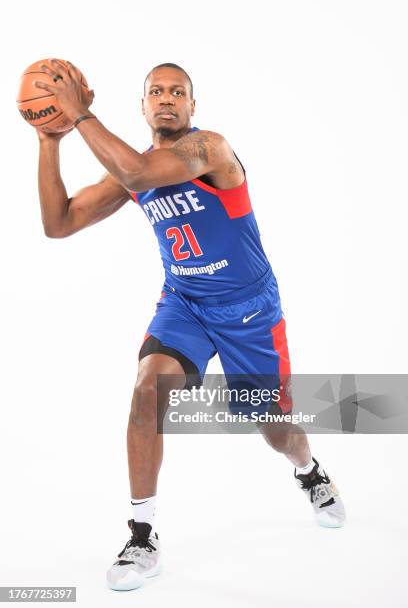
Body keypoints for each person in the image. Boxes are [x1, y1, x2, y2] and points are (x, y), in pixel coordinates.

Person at [35, 60, 346, 592]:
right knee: (146, 391)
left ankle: (310, 471)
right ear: (143, 105)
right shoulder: (131, 166)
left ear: (192, 106)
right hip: (184, 303)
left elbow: (136, 173)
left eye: (177, 91)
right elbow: (58, 223)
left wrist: (81, 114)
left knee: (276, 430)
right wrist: (49, 140)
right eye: (155, 91)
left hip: (249, 310)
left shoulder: (211, 150)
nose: (166, 98)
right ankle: (143, 533)